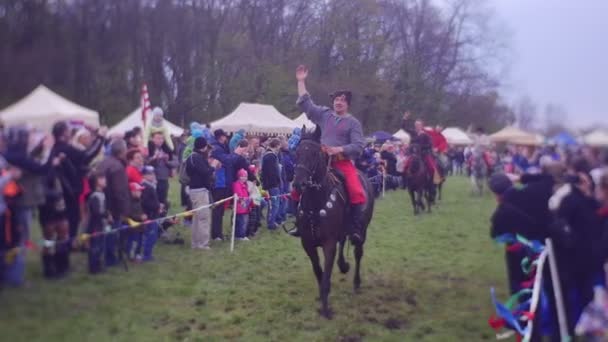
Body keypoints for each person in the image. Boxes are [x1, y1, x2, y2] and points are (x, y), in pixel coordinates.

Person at [295, 65, 367, 244]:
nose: (338, 102)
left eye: (342, 100)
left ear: (347, 103)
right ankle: (299, 222)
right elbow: (306, 103)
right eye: (336, 99)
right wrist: (301, 81)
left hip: (342, 163)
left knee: (357, 191)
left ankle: (355, 228)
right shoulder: (324, 115)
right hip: (320, 163)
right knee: (297, 186)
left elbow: (358, 146)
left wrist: (339, 149)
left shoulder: (353, 123)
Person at [50, 121, 105, 244]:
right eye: (68, 130)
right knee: (71, 219)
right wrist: (100, 137)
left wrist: (85, 170)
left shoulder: (57, 147)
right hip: (69, 190)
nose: (70, 132)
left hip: (66, 189)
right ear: (63, 133)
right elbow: (87, 155)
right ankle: (68, 245)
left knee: (69, 220)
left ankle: (68, 243)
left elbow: (77, 164)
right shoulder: (64, 148)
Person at [97, 139, 130, 267]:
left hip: (101, 202)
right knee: (111, 233)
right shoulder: (117, 167)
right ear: (122, 151)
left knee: (103, 231)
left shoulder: (104, 162)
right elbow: (120, 191)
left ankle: (101, 256)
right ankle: (110, 259)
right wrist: (125, 210)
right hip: (113, 206)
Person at [187, 137, 217, 250]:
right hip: (200, 191)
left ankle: (195, 243)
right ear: (203, 147)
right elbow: (205, 172)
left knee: (196, 218)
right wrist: (213, 167)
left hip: (194, 190)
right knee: (204, 217)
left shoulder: (192, 157)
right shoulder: (197, 157)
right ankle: (203, 244)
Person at [210, 129, 234, 241]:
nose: (226, 138)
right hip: (219, 182)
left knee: (221, 209)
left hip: (224, 180)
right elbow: (227, 160)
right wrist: (235, 155)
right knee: (217, 209)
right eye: (225, 136)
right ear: (221, 137)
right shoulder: (217, 148)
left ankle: (218, 233)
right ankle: (216, 234)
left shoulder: (222, 147)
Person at [401, 112, 439, 183]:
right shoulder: (413, 132)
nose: (417, 126)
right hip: (414, 154)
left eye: (418, 125)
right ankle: (404, 182)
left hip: (423, 154)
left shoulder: (425, 134)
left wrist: (421, 147)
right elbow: (404, 128)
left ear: (422, 125)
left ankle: (433, 182)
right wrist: (405, 118)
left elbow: (430, 144)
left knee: (432, 167)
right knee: (405, 166)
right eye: (416, 125)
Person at [85, 172, 109, 274]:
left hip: (101, 224)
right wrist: (106, 215)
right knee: (95, 246)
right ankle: (93, 268)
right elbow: (96, 212)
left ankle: (98, 265)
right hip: (95, 225)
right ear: (97, 182)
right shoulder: (95, 195)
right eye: (103, 178)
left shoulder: (101, 194)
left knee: (100, 246)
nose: (105, 180)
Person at [148, 131, 176, 206]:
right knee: (153, 200)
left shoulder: (166, 148)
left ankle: (163, 215)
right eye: (158, 138)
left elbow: (175, 163)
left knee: (163, 199)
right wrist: (154, 158)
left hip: (164, 178)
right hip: (152, 179)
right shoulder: (148, 148)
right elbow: (145, 164)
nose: (160, 140)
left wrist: (167, 161)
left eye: (162, 138)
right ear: (152, 138)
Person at [261, 138, 282, 230]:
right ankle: (271, 223)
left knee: (273, 204)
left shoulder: (269, 155)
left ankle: (271, 221)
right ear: (277, 145)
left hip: (271, 183)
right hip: (272, 184)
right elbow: (271, 172)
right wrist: (277, 181)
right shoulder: (271, 156)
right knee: (274, 204)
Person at [141, 166, 160, 261]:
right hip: (150, 215)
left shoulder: (151, 185)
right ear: (144, 175)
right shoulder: (145, 187)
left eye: (153, 174)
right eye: (150, 174)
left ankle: (148, 253)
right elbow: (144, 202)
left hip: (153, 214)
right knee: (151, 235)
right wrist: (156, 206)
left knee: (153, 235)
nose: (152, 176)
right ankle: (146, 255)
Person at [126, 182, 147, 262]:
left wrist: (143, 215)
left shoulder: (138, 201)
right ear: (132, 192)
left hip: (140, 227)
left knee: (140, 242)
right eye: (138, 191)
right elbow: (129, 214)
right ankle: (131, 256)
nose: (140, 192)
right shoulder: (129, 202)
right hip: (133, 228)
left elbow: (140, 211)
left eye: (140, 191)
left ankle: (137, 254)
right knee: (133, 242)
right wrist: (140, 217)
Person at [232, 169, 251, 241]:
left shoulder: (244, 185)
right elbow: (239, 194)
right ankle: (241, 236)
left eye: (246, 176)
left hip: (244, 206)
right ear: (239, 177)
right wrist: (244, 201)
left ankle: (239, 235)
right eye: (242, 176)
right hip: (240, 206)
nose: (244, 178)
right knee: (242, 222)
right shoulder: (237, 184)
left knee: (242, 221)